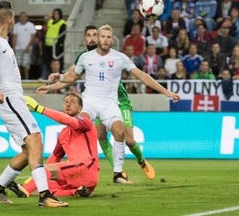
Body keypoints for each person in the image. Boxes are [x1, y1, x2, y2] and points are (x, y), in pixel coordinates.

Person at [49, 24, 180, 184]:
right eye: (94, 35)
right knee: (97, 134)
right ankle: (115, 172)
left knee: (128, 139)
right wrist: (51, 85)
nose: (98, 38)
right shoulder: (84, 57)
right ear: (94, 38)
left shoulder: (119, 58)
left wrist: (165, 91)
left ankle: (140, 159)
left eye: (107, 37)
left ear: (112, 40)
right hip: (92, 102)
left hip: (118, 101)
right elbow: (71, 77)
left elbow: (142, 76)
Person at [0, 1, 68, 207]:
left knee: (29, 151)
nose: (14, 22)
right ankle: (45, 195)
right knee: (35, 138)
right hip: (9, 98)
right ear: (8, 20)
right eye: (14, 19)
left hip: (12, 97)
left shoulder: (1, 42)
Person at [9, 93, 99, 197]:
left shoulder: (86, 123)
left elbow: (66, 119)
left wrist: (39, 108)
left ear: (80, 109)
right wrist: (39, 176)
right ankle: (78, 192)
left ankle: (24, 190)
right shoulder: (63, 134)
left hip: (86, 169)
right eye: (66, 102)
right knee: (40, 188)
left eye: (73, 102)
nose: (68, 104)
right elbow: (55, 157)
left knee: (45, 173)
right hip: (75, 176)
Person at [41, 8, 66, 79]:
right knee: (46, 62)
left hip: (56, 46)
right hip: (47, 45)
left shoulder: (62, 23)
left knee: (56, 63)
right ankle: (46, 76)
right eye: (54, 13)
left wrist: (58, 44)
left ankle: (57, 77)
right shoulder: (50, 21)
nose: (55, 15)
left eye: (57, 13)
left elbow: (62, 36)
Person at [12, 11, 37, 79]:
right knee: (18, 64)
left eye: (24, 16)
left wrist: (28, 46)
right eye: (21, 16)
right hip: (17, 48)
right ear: (19, 17)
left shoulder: (30, 25)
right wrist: (13, 48)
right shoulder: (16, 26)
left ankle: (26, 77)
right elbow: (14, 37)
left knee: (26, 64)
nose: (22, 18)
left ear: (26, 17)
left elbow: (33, 37)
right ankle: (19, 78)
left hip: (27, 48)